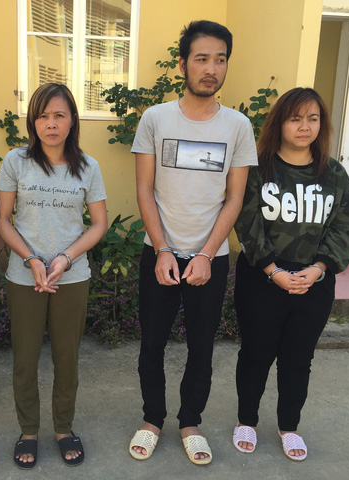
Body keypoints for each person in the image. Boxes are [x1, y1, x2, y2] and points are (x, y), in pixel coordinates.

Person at [129, 20, 257, 465]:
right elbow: (145, 189)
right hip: (159, 253)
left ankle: (190, 423)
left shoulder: (238, 126)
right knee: (152, 345)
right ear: (183, 64)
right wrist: (163, 249)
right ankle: (151, 420)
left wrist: (205, 254)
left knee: (202, 348)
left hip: (210, 258)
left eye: (220, 60)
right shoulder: (155, 119)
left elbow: (235, 197)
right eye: (202, 59)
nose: (211, 69)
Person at [232, 87, 349, 461]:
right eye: (295, 118)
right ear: (280, 123)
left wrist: (319, 269)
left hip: (313, 282)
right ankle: (246, 420)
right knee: (255, 354)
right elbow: (247, 221)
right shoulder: (259, 169)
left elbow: (345, 225)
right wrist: (273, 270)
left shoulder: (334, 174)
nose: (305, 126)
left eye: (313, 118)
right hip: (262, 278)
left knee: (298, 358)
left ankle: (289, 426)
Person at [0, 83, 108, 469]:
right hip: (24, 277)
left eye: (59, 115)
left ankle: (63, 428)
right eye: (43, 116)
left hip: (71, 278)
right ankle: (28, 430)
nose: (51, 124)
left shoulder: (88, 167)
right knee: (25, 359)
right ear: (33, 121)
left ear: (72, 119)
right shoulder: (16, 162)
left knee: (67, 358)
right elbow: (2, 220)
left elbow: (99, 224)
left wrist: (65, 257)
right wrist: (31, 259)